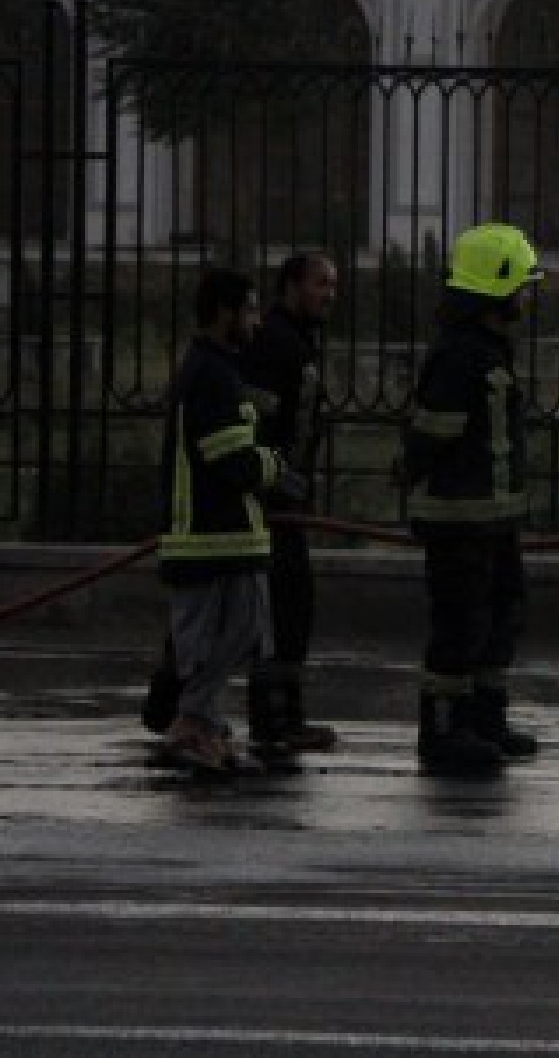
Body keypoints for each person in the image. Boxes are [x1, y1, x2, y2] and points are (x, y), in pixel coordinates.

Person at [397, 223, 543, 777]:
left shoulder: (486, 350)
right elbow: (432, 435)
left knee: (501, 617)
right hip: (458, 520)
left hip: (493, 519)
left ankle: (484, 719)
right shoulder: (460, 356)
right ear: (497, 288)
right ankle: (442, 730)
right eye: (521, 286)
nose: (526, 297)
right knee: (460, 625)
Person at [154, 268, 304, 774]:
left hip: (229, 536)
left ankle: (203, 724)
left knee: (241, 632)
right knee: (209, 640)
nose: (257, 322)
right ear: (225, 312)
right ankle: (192, 727)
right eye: (251, 310)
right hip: (207, 535)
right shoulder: (212, 376)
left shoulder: (218, 370)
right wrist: (276, 468)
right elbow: (232, 460)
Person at [237, 251, 341, 755]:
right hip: (270, 500)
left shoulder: (298, 341)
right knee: (279, 610)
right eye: (321, 284)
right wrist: (275, 481)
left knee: (292, 605)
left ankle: (286, 714)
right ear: (292, 286)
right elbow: (258, 423)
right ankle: (275, 718)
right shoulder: (275, 343)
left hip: (286, 496)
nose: (329, 295)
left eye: (333, 286)